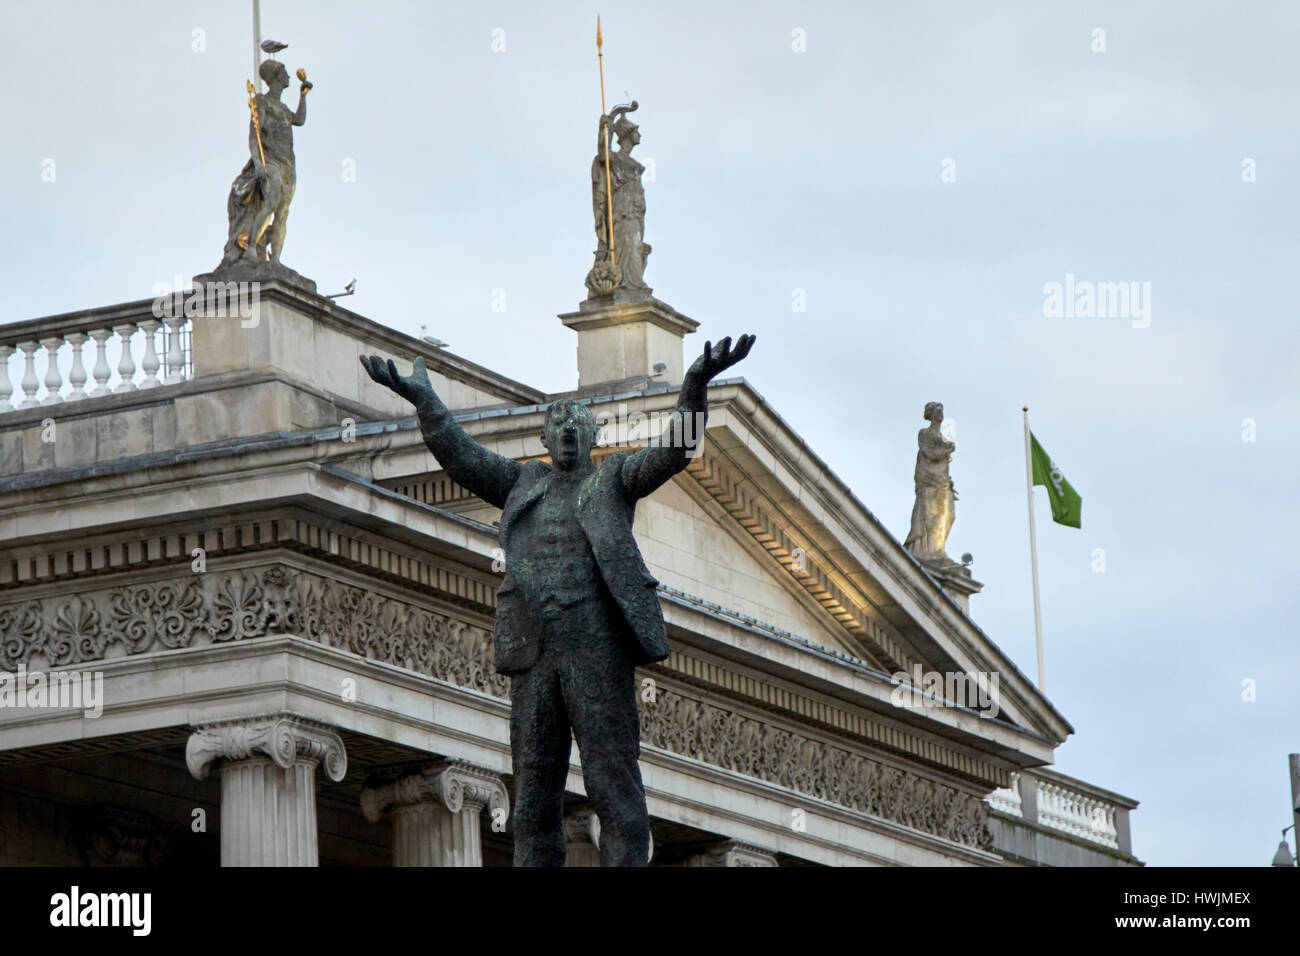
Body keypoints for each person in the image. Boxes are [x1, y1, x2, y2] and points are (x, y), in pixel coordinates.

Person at [360, 334, 755, 865]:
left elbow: (674, 451)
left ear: (593, 435)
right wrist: (425, 402)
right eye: (559, 425)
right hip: (535, 653)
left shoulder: (612, 480)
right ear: (545, 436)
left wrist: (695, 385)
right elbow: (461, 456)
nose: (568, 431)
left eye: (578, 425)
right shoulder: (523, 483)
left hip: (595, 649)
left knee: (612, 785)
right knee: (532, 798)